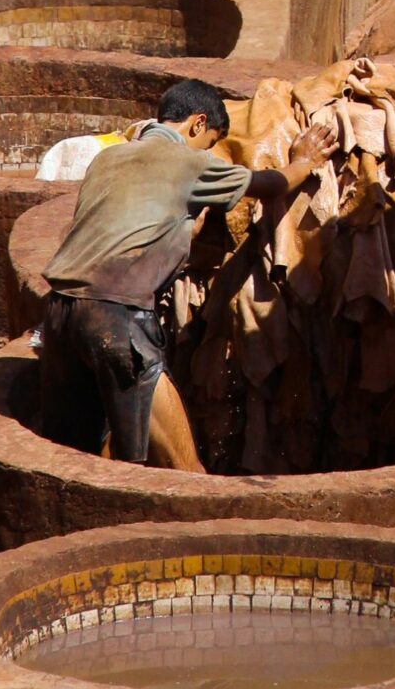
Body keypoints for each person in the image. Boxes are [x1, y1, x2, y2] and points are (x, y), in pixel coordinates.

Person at [39, 77, 333, 466]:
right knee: (184, 469)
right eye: (210, 141)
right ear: (197, 124)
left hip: (58, 315)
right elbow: (271, 185)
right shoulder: (190, 162)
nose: (209, 151)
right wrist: (305, 159)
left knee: (86, 458)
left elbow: (152, 221)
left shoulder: (107, 159)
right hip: (117, 321)